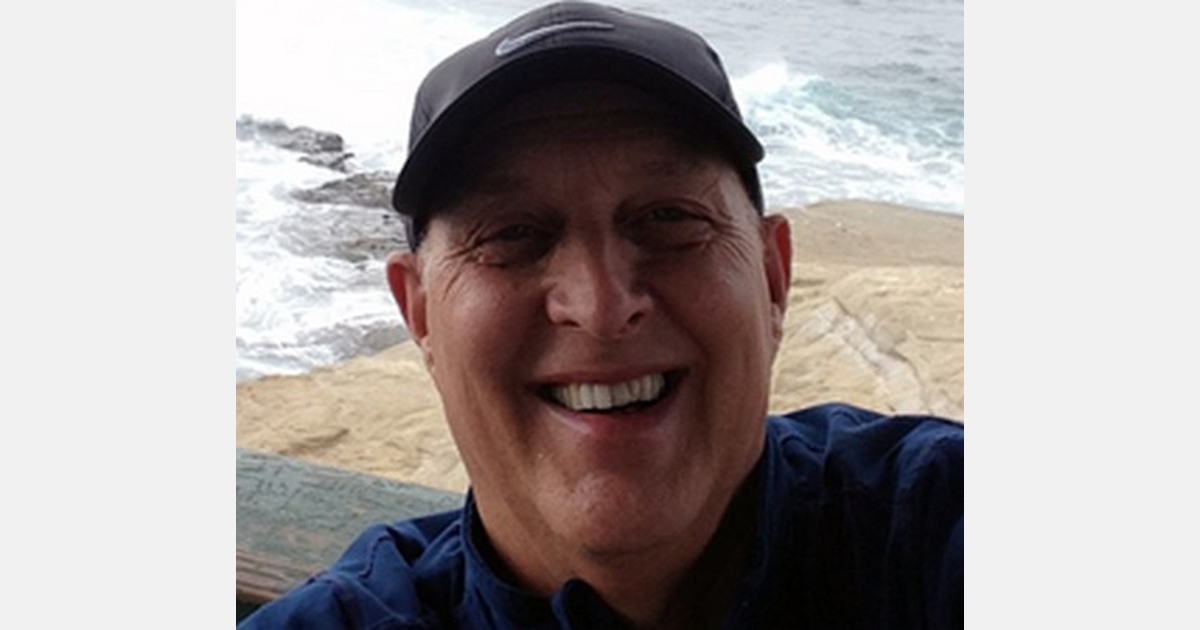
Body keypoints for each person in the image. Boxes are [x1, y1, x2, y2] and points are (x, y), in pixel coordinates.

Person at [239, 2, 963, 628]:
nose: (602, 307)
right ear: (419, 315)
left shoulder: (931, 528)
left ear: (774, 279)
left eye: (669, 218)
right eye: (512, 234)